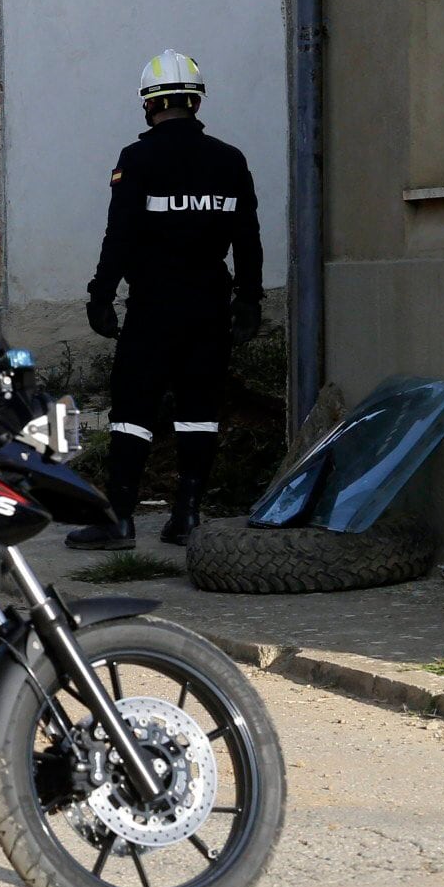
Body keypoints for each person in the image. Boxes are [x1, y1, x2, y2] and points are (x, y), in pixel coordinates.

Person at [68, 50, 263, 551]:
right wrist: (248, 300)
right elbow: (247, 237)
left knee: (133, 410)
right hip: (209, 307)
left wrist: (101, 296)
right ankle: (188, 516)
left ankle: (120, 521)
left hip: (154, 307)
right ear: (196, 101)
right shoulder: (229, 159)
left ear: (147, 104)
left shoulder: (138, 160)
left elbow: (121, 237)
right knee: (200, 409)